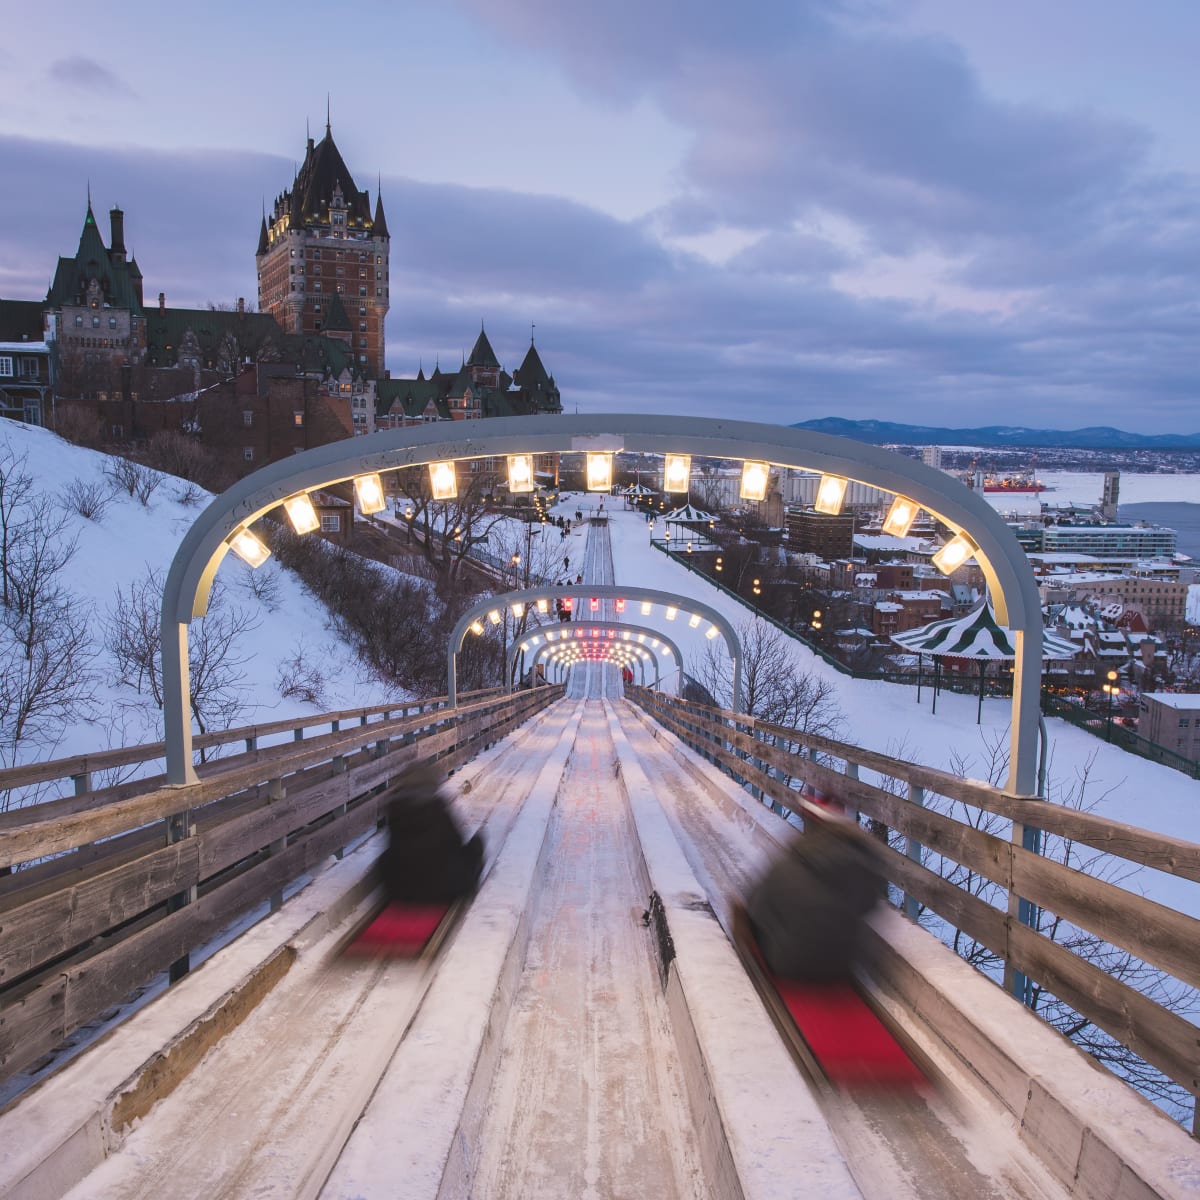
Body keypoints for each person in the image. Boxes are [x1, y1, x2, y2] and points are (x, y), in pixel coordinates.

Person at [739, 794, 881, 982]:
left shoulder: (791, 862)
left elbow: (758, 905)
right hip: (844, 963)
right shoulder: (863, 864)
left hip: (788, 963)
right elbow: (870, 905)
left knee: (749, 912)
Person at [378, 760, 483, 905]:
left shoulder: (394, 808)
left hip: (400, 889)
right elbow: (455, 842)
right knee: (475, 845)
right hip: (444, 887)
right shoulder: (437, 807)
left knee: (387, 857)